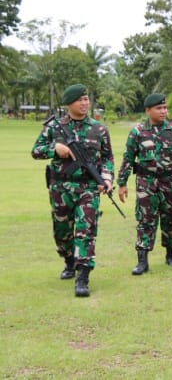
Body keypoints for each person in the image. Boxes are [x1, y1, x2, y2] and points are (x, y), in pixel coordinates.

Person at [31, 84, 114, 297]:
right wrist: (55, 149)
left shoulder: (99, 129)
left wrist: (106, 177)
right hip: (60, 187)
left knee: (85, 230)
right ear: (69, 104)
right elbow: (36, 151)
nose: (84, 103)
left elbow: (107, 158)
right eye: (80, 100)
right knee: (62, 232)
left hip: (88, 187)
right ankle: (69, 260)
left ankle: (83, 276)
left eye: (86, 99)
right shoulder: (54, 127)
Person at [117, 93, 172, 275]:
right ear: (148, 110)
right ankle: (142, 261)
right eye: (159, 108)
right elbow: (128, 158)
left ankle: (171, 255)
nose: (163, 111)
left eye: (164, 108)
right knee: (145, 220)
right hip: (146, 184)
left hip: (170, 182)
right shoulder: (138, 132)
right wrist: (122, 183)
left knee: (171, 219)